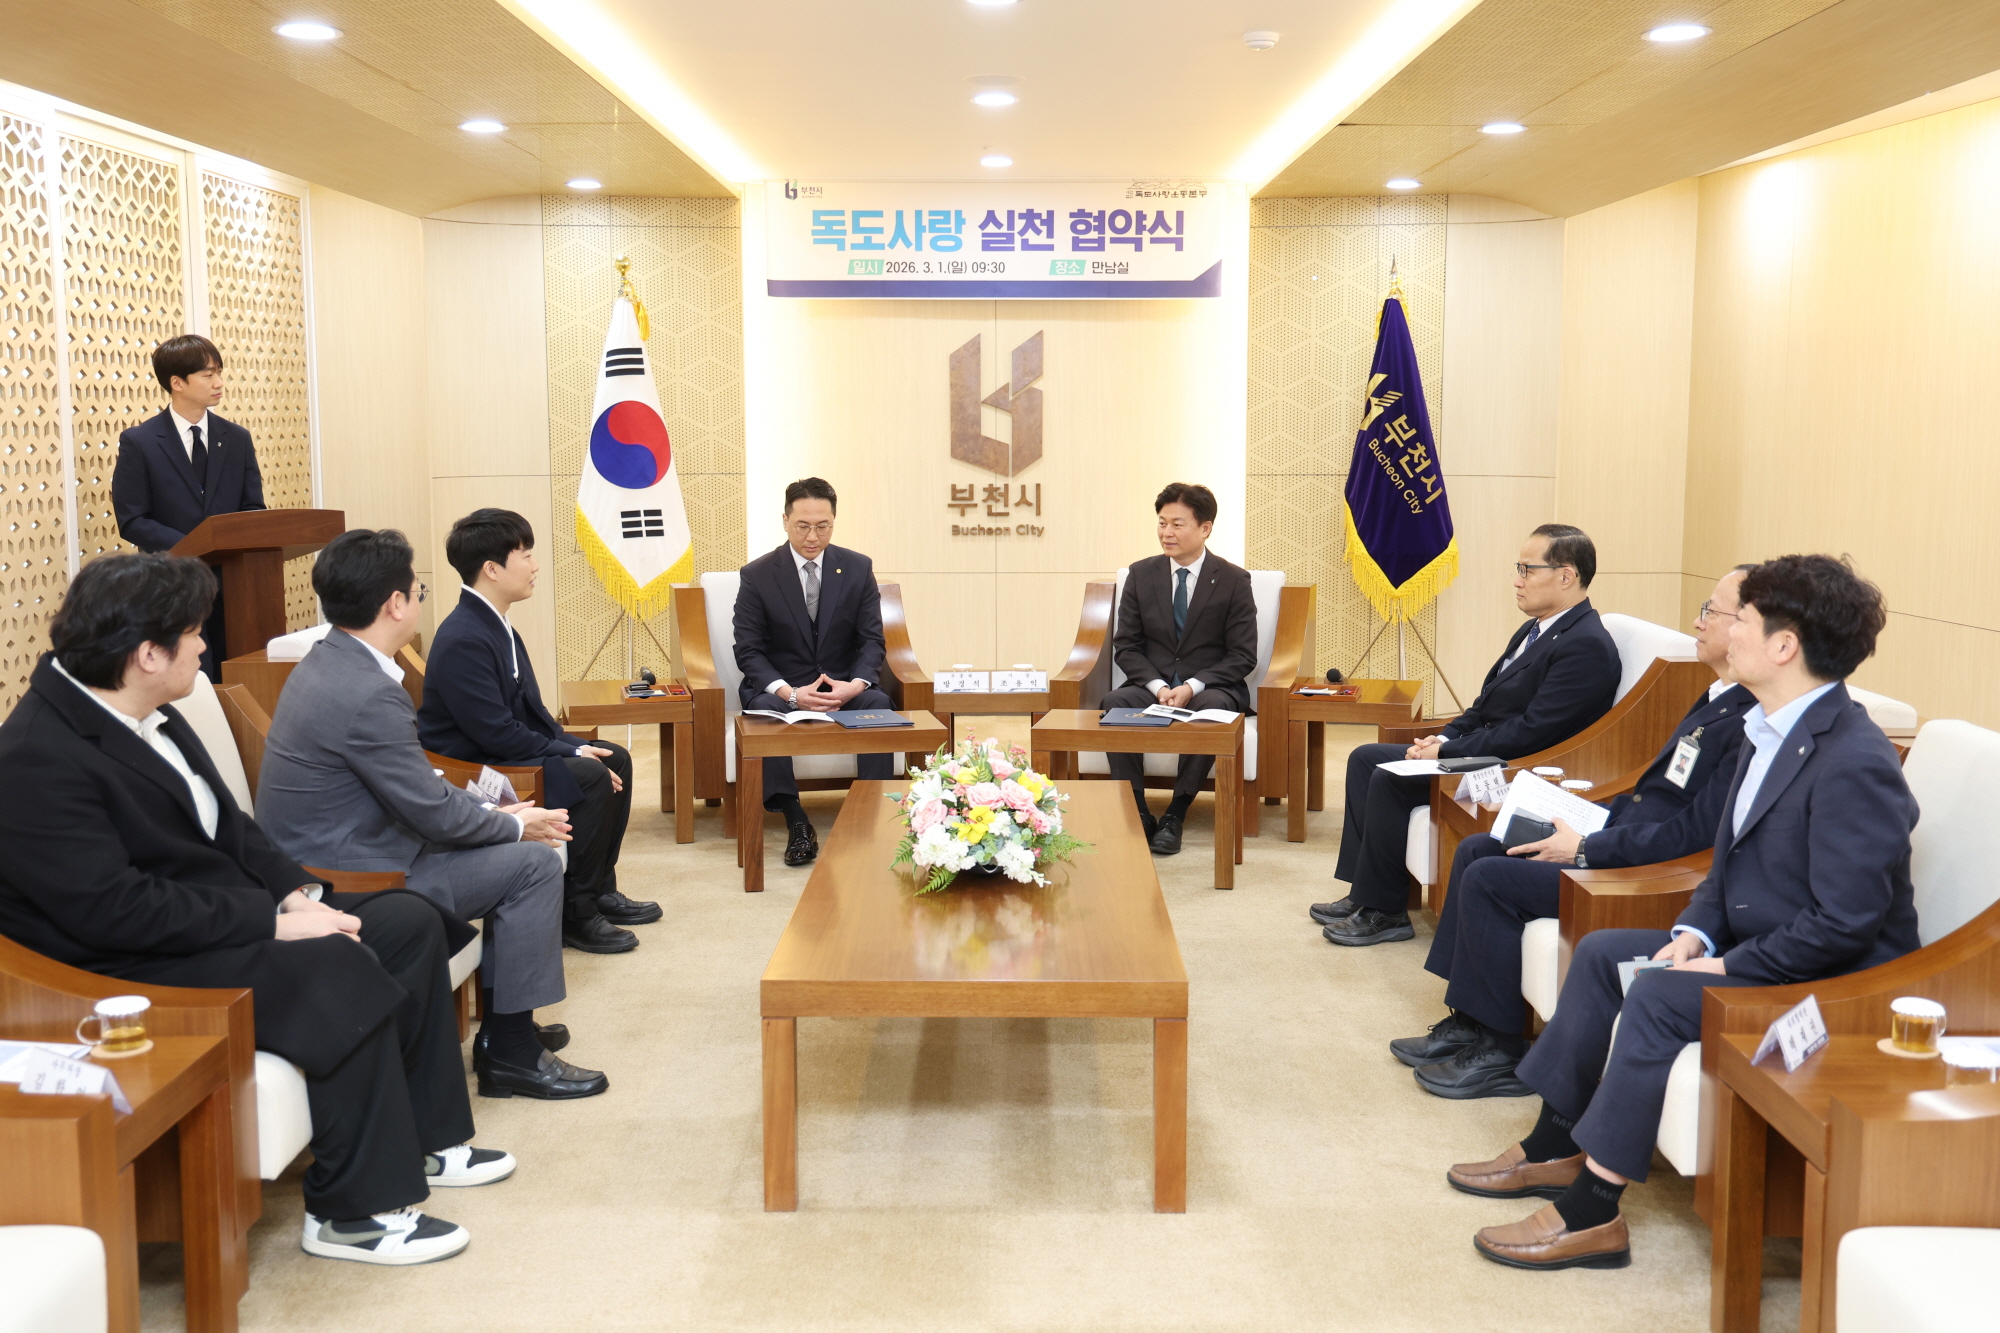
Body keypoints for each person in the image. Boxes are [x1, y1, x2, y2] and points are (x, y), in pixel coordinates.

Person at [0, 554, 505, 1266]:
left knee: (406, 922)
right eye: (193, 633)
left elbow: (231, 827)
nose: (204, 645)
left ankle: (431, 1140)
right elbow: (114, 910)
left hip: (209, 918)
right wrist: (274, 924)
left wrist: (298, 891)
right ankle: (351, 1213)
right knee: (330, 964)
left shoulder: (145, 709)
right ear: (148, 655)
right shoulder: (35, 756)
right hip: (125, 964)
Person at [1450, 554, 1918, 1271]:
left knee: (1661, 995)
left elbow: (1846, 923)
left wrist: (1727, 964)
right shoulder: (1768, 727)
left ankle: (1593, 1214)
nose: (1726, 632)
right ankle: (1556, 1143)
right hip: (1766, 946)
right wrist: (1695, 930)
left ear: (1784, 645)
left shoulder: (1855, 759)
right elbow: (1727, 862)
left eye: (1743, 620)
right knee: (1605, 954)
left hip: (1836, 981)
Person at [256, 529, 608, 1101]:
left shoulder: (330, 662)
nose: (420, 601)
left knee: (515, 842)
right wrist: (514, 824)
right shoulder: (367, 691)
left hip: (349, 849)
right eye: (417, 591)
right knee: (534, 866)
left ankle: (506, 1026)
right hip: (360, 876)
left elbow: (416, 783)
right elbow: (431, 811)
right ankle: (511, 1051)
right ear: (395, 604)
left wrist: (497, 810)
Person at [1396, 566, 1757, 1097]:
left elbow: (1695, 831)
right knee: (1480, 848)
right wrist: (1583, 813)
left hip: (1646, 870)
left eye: (1712, 612)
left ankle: (1501, 1048)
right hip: (1624, 837)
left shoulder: (1750, 719)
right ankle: (1470, 1020)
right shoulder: (1718, 695)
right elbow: (1651, 791)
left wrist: (1588, 845)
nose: (1697, 622)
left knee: (1491, 879)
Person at [1316, 523, 1620, 946]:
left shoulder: (1586, 645)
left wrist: (1450, 752)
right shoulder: (1537, 628)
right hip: (1490, 749)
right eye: (1518, 568)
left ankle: (1386, 913)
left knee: (1389, 776)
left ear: (1566, 576)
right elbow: (1485, 707)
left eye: (1527, 569)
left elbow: (1532, 733)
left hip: (1520, 767)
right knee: (1366, 758)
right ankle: (1366, 893)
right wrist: (1442, 740)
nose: (1517, 580)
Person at [418, 508, 656, 955]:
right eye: (525, 555)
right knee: (588, 775)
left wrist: (578, 745)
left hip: (499, 748)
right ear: (492, 569)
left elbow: (533, 714)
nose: (535, 565)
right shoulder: (464, 637)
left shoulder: (495, 623)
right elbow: (496, 734)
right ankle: (575, 913)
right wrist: (573, 756)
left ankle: (598, 889)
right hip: (474, 768)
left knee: (614, 757)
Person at [732, 477, 894, 867]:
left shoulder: (857, 567)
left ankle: (868, 815)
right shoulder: (758, 574)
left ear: (834, 521)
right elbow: (748, 649)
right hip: (783, 689)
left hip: (842, 687)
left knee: (879, 704)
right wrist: (789, 692)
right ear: (785, 521)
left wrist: (854, 685)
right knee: (765, 714)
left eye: (823, 526)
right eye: (802, 526)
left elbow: (872, 640)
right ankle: (796, 820)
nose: (812, 537)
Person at [1099, 482, 1259, 855]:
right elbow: (1127, 645)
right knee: (1115, 702)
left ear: (1205, 528)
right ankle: (1137, 810)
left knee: (1212, 709)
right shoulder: (1141, 574)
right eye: (1162, 523)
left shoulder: (1233, 580)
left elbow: (1242, 655)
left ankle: (1176, 812)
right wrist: (1157, 686)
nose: (1166, 533)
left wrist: (1192, 686)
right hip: (1152, 686)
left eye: (1177, 524)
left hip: (1209, 688)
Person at [110, 334, 267, 675]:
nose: (219, 383)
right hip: (172, 587)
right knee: (190, 682)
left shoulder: (236, 438)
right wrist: (196, 548)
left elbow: (254, 508)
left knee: (238, 674)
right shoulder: (140, 442)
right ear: (177, 383)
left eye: (219, 373)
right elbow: (133, 519)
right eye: (208, 375)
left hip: (236, 586)